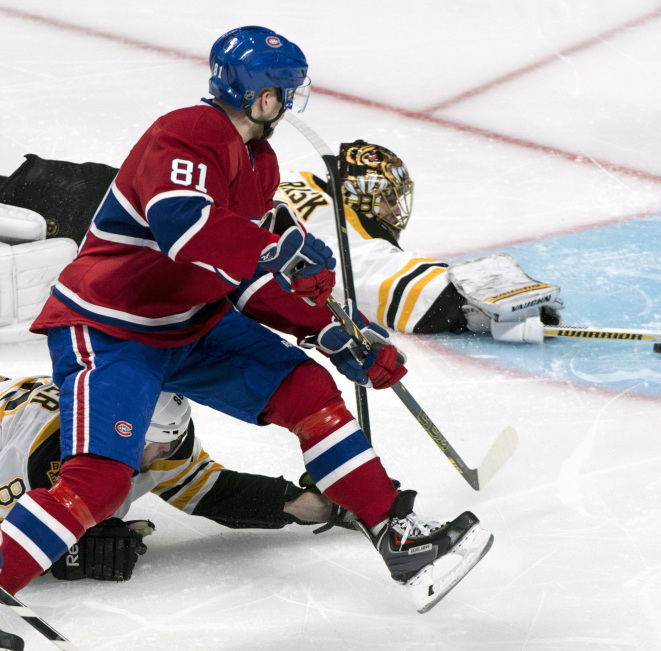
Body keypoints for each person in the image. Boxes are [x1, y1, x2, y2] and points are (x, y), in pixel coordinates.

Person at [0, 26, 491, 614]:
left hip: (189, 324)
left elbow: (241, 275)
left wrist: (332, 328)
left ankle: (396, 535)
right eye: (287, 92)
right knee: (99, 483)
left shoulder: (260, 161)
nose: (290, 103)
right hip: (110, 329)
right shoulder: (187, 132)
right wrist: (272, 249)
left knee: (307, 388)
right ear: (263, 97)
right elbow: (185, 227)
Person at [0, 147, 564, 344]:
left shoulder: (291, 178)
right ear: (363, 196)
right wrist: (478, 307)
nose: (395, 212)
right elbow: (394, 290)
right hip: (132, 240)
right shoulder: (341, 226)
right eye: (388, 199)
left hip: (101, 190)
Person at [0, 374, 353, 583]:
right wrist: (70, 550)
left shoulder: (154, 439)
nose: (160, 461)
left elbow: (211, 490)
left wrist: (325, 506)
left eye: (169, 448)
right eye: (153, 449)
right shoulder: (35, 462)